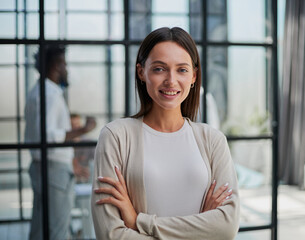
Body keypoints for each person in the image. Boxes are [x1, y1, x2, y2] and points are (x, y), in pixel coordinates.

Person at [91, 27, 240, 240]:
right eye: (160, 69)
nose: (171, 80)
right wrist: (200, 229)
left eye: (182, 70)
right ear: (141, 72)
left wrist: (139, 222)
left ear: (194, 76)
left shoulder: (213, 140)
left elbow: (226, 227)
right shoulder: (116, 137)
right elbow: (111, 235)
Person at [25, 44, 96, 240]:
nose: (66, 69)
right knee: (58, 230)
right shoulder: (50, 95)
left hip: (42, 167)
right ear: (56, 65)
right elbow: (47, 136)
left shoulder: (36, 92)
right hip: (54, 170)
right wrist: (83, 129)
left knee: (40, 229)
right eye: (64, 64)